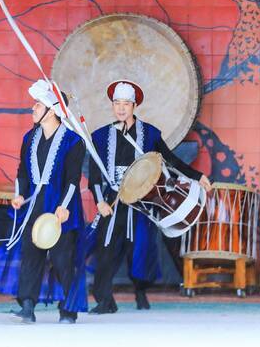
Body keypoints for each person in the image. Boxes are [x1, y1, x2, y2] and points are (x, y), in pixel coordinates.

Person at [87, 80, 211, 313]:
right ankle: (105, 301)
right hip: (113, 200)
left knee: (140, 249)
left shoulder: (150, 133)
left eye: (126, 103)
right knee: (106, 249)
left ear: (134, 106)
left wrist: (197, 175)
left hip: (142, 202)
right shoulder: (101, 136)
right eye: (116, 103)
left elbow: (170, 160)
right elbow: (94, 172)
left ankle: (140, 291)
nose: (121, 108)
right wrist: (99, 201)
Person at [0, 80, 87, 324]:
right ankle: (27, 305)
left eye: (38, 105)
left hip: (61, 207)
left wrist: (64, 206)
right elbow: (22, 171)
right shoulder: (30, 137)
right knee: (31, 254)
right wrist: (19, 194)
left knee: (62, 258)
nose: (33, 108)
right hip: (34, 205)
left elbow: (72, 180)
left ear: (52, 111)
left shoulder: (74, 141)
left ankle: (68, 310)